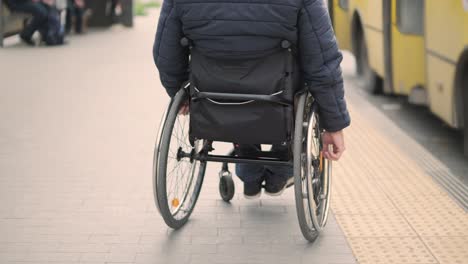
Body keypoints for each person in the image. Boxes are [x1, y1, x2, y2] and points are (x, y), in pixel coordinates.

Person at [153, 0, 350, 198]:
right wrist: (333, 124)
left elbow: (165, 54)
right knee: (298, 74)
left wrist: (179, 91)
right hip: (280, 96)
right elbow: (323, 62)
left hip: (212, 96)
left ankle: (248, 165)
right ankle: (281, 170)